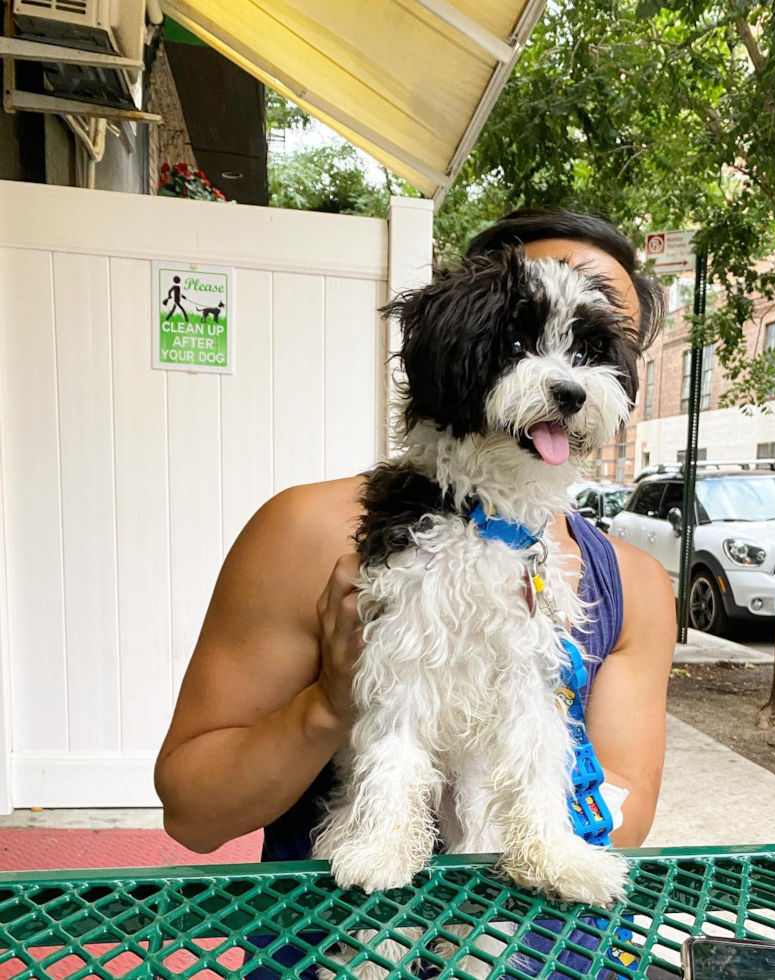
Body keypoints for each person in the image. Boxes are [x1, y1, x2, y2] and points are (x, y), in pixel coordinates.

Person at [155, 210, 676, 867]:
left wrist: (534, 829)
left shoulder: (635, 585)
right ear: (458, 346)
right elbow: (193, 813)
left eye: (592, 347)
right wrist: (328, 704)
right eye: (520, 346)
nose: (567, 382)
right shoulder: (306, 534)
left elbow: (621, 811)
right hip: (333, 947)